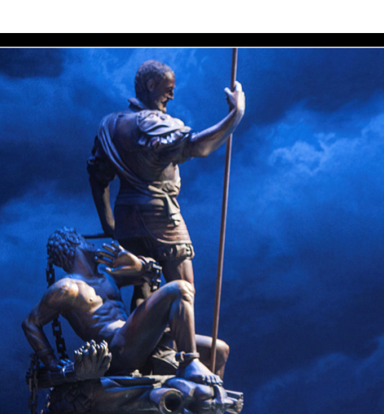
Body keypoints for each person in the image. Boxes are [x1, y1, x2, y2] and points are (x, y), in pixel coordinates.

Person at [87, 59, 246, 309]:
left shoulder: (110, 125)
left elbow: (98, 177)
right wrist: (235, 115)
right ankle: (182, 337)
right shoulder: (152, 122)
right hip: (161, 217)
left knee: (144, 288)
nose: (171, 96)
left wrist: (109, 224)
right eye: (168, 89)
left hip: (126, 219)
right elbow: (198, 147)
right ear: (151, 85)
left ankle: (145, 336)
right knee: (184, 292)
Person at [22, 228, 229, 387]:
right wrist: (51, 363)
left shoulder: (108, 276)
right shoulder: (67, 288)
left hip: (138, 340)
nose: (93, 245)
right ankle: (189, 362)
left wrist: (138, 264)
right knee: (180, 288)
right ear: (75, 243)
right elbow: (30, 323)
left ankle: (213, 403)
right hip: (118, 349)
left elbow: (151, 275)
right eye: (86, 241)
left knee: (218, 350)